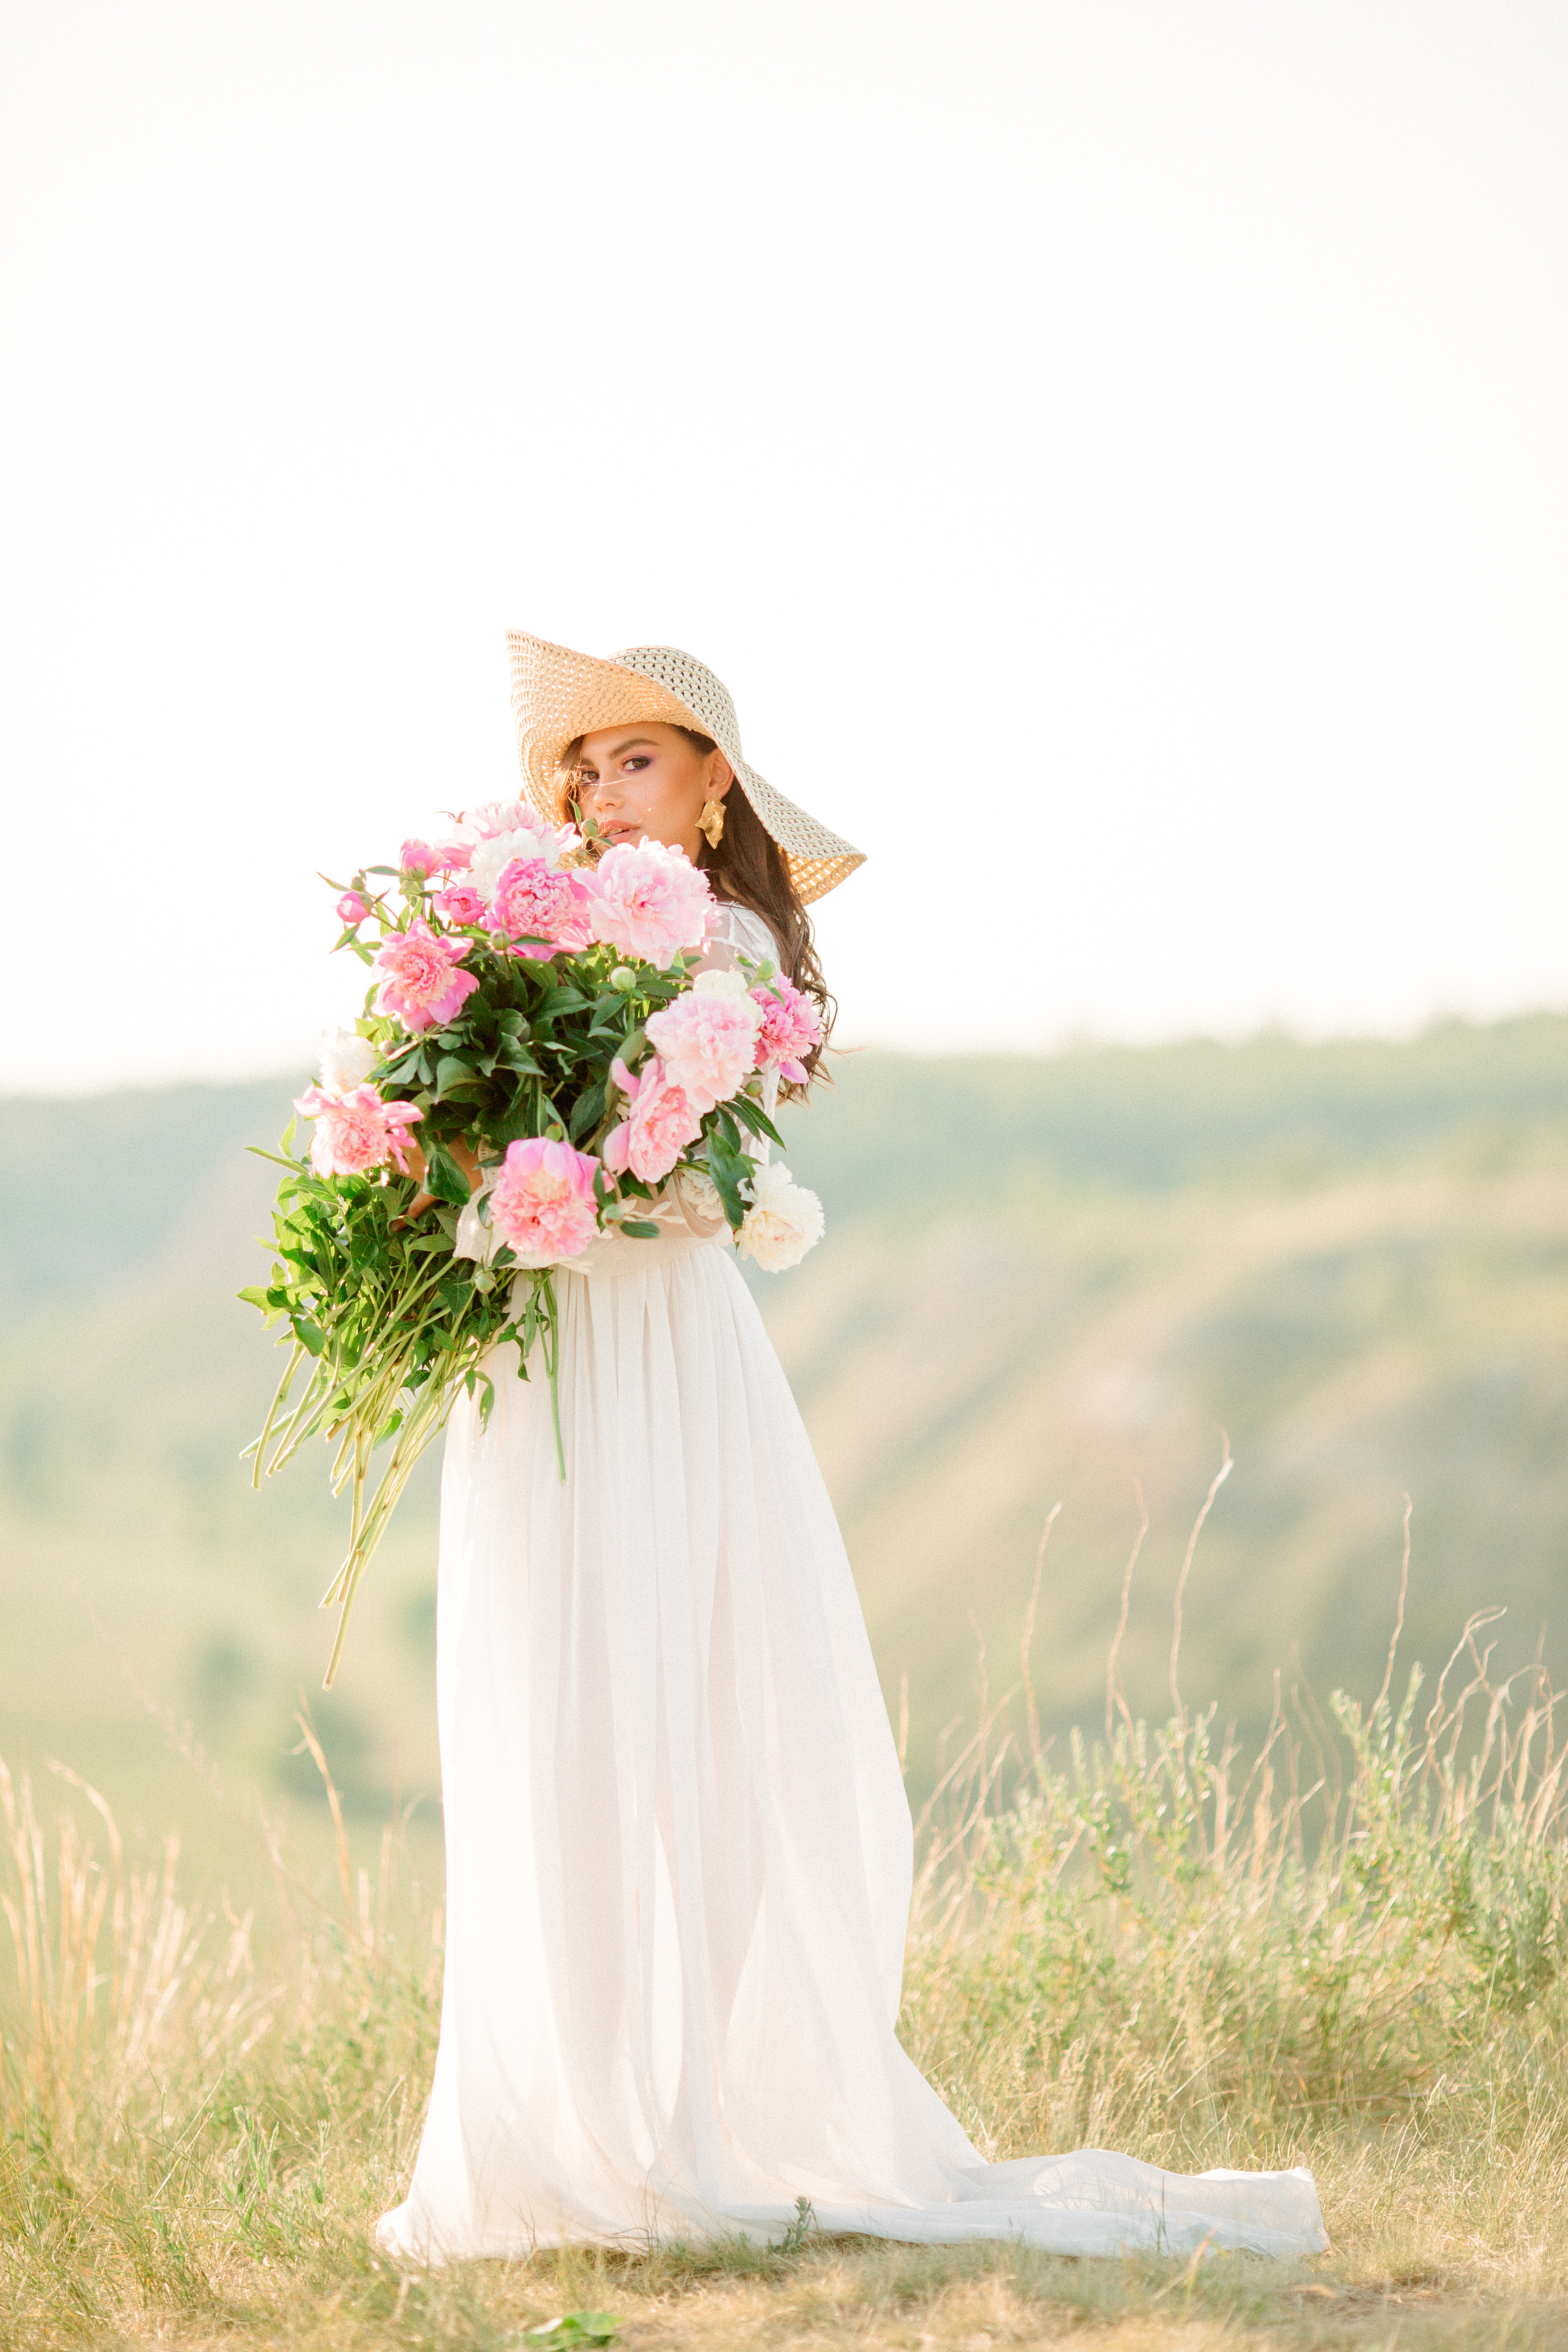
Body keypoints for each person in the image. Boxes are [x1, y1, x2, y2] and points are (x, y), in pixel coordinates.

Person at [375, 636, 1327, 2263]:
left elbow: (679, 1165)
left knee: (667, 1681)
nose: (604, 791)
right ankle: (565, 2109)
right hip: (548, 1351)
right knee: (557, 1683)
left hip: (655, 1343)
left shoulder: (730, 941)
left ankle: (682, 2113)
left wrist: (576, 1172)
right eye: (585, 767)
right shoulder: (533, 927)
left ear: (713, 778)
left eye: (639, 760)